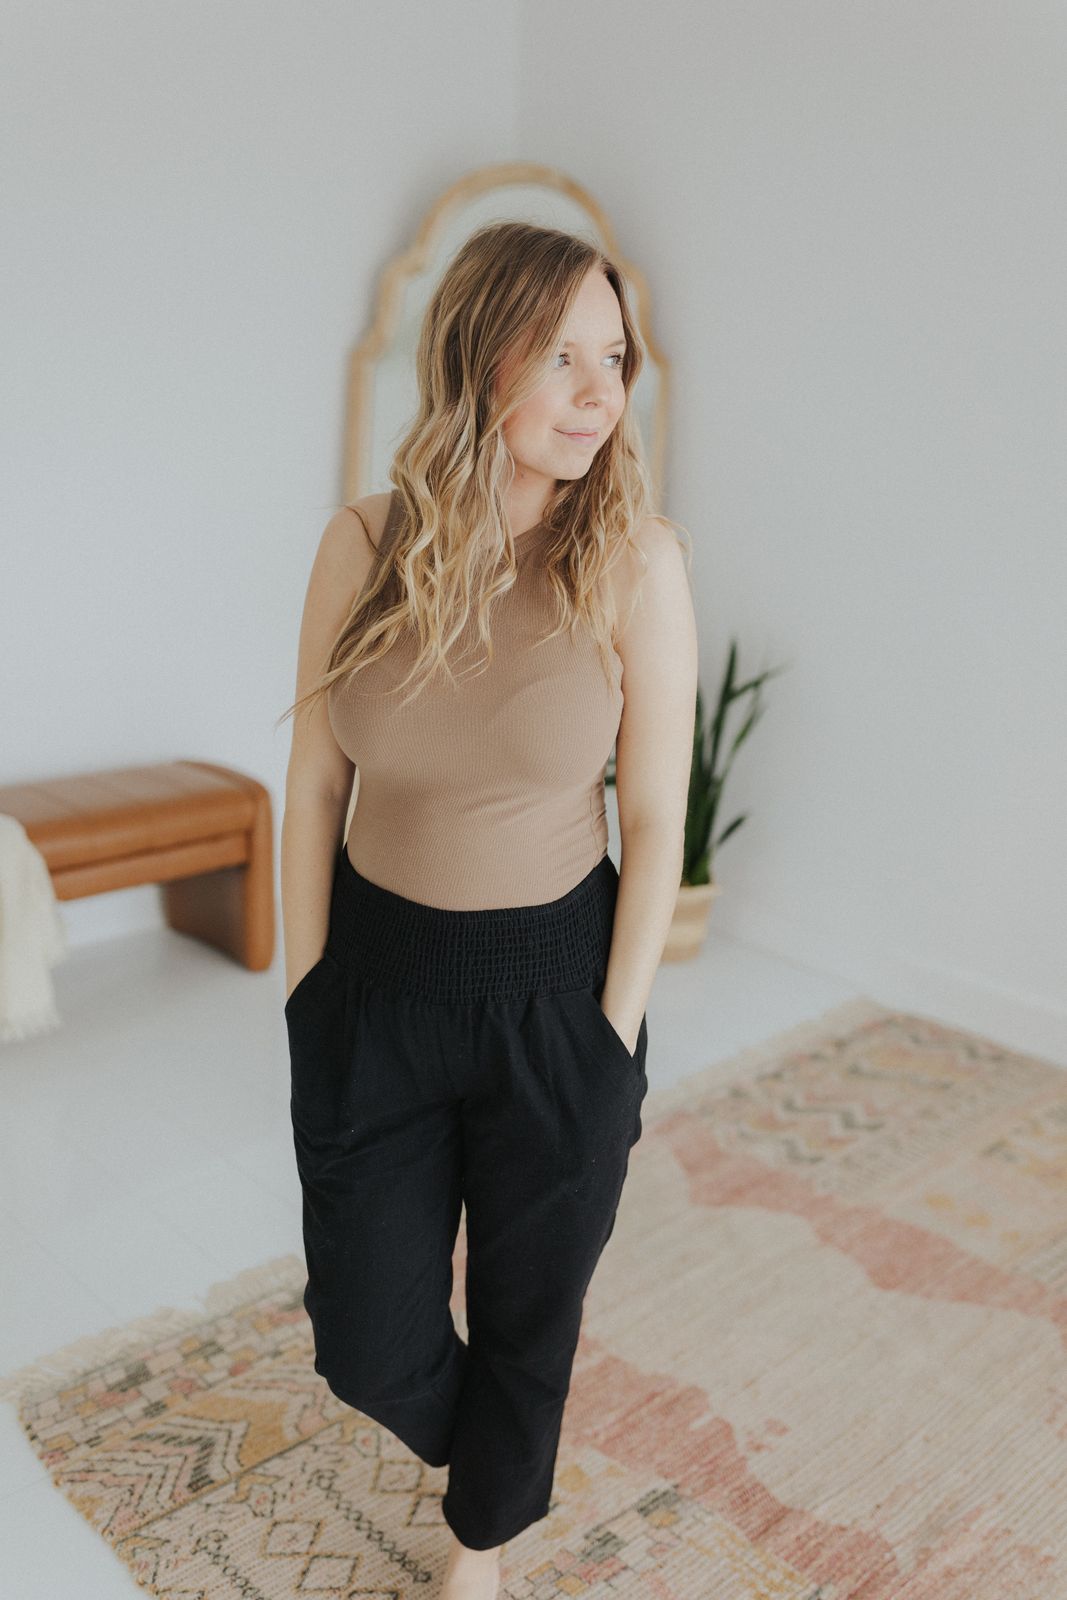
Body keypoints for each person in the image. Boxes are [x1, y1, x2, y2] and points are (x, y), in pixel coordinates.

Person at [277, 219, 697, 1600]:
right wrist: (308, 989)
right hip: (375, 985)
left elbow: (654, 818)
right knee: (366, 1338)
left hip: (556, 995)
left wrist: (612, 1035)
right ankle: (501, 1464)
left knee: (530, 1312)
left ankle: (482, 1546)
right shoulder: (362, 545)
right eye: (561, 355)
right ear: (477, 353)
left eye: (614, 360)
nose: (598, 392)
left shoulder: (637, 562)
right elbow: (315, 783)